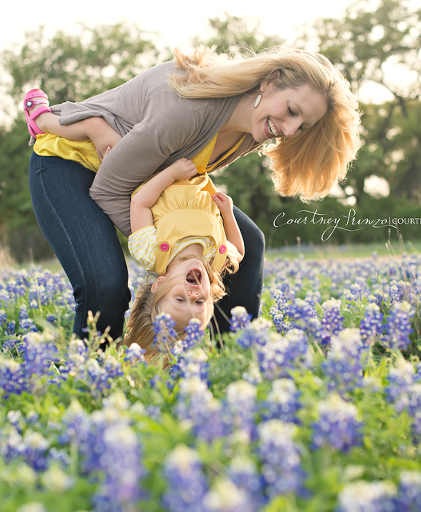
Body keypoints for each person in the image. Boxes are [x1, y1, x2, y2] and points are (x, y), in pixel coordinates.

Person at [26, 45, 360, 343]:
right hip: (69, 164)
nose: (288, 130)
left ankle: (224, 359)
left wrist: (194, 246)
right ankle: (92, 381)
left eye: (301, 126)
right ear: (269, 83)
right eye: (291, 110)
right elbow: (110, 190)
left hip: (144, 177)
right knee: (106, 284)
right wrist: (171, 251)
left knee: (249, 244)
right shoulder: (188, 111)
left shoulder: (255, 127)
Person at [23, 94, 244, 353]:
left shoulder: (152, 253)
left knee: (98, 127)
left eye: (180, 298)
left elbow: (139, 203)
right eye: (199, 303)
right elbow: (238, 250)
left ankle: (42, 120)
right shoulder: (216, 260)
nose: (193, 295)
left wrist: (166, 173)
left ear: (159, 285)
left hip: (144, 174)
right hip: (189, 174)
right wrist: (228, 215)